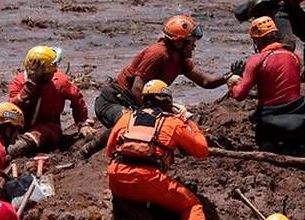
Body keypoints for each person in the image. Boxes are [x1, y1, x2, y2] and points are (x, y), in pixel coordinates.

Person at [105, 80, 222, 220]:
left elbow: (110, 151)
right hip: (148, 179)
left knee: (134, 189)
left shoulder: (127, 118)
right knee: (191, 204)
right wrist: (189, 121)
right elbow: (202, 151)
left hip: (116, 176)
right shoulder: (173, 122)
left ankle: (127, 203)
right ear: (167, 102)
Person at [94, 15, 230, 133]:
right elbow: (137, 89)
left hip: (137, 103)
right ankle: (89, 149)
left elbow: (205, 81)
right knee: (130, 125)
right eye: (191, 42)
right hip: (115, 101)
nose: (194, 46)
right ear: (179, 42)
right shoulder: (158, 54)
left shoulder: (180, 59)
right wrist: (155, 114)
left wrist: (228, 77)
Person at [227, 17, 305, 156]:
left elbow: (239, 95)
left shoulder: (256, 60)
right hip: (298, 117)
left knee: (267, 140)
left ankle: (275, 146)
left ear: (257, 40)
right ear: (275, 35)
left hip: (269, 121)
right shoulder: (294, 57)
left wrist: (234, 80)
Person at [7, 45, 91, 158]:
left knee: (41, 132)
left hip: (49, 128)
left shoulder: (60, 82)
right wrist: (28, 88)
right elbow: (11, 109)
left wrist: (82, 123)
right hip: (21, 127)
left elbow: (77, 99)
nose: (55, 70)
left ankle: (14, 150)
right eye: (52, 69)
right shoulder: (19, 82)